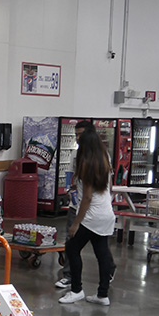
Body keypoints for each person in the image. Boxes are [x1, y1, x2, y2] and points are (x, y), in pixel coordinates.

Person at [58, 129, 117, 305]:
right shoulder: (104, 162)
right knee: (102, 253)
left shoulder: (86, 164)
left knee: (72, 248)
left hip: (92, 216)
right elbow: (110, 189)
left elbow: (87, 198)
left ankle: (76, 290)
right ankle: (102, 294)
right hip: (107, 213)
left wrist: (76, 223)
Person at [56, 120, 96, 289]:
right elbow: (73, 178)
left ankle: (108, 271)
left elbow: (90, 193)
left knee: (98, 244)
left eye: (81, 134)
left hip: (93, 209)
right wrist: (70, 187)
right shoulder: (75, 155)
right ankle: (69, 276)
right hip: (76, 204)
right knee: (70, 242)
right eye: (76, 135)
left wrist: (78, 221)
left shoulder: (98, 157)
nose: (78, 138)